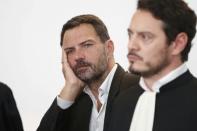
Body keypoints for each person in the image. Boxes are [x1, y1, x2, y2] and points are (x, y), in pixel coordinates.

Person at [37, 14, 139, 131]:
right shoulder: (72, 104)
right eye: (70, 51)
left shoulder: (141, 89)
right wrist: (70, 87)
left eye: (87, 45)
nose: (78, 56)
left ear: (109, 48)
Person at [108, 0, 197, 131]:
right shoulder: (122, 101)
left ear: (178, 44)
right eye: (130, 34)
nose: (131, 45)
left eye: (145, 37)